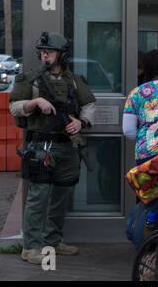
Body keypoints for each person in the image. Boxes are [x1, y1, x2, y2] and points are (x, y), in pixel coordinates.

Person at [9, 32, 96, 265]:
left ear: (62, 54)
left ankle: (52, 241)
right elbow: (14, 107)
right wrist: (35, 102)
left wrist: (82, 121)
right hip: (42, 144)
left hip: (68, 146)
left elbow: (89, 104)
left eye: (49, 52)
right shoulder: (30, 79)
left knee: (62, 195)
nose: (44, 55)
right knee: (38, 197)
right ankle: (31, 247)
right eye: (42, 52)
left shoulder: (74, 80)